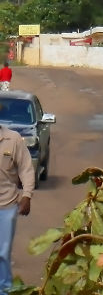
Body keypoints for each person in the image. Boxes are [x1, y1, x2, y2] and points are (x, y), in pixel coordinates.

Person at [0, 122, 33, 295]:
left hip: (6, 206)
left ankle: (4, 290)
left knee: (2, 254)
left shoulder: (13, 139)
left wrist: (27, 195)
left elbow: (26, 169)